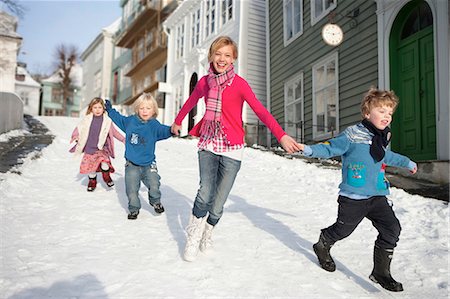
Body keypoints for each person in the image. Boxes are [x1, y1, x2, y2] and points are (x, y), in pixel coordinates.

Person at [171, 35, 301, 262]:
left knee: (219, 202)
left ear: (234, 59)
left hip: (232, 147)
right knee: (205, 192)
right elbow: (191, 101)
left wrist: (280, 134)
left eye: (227, 55)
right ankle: (193, 236)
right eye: (218, 54)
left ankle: (207, 233)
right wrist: (178, 120)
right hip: (209, 142)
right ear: (212, 56)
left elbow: (260, 110)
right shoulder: (204, 82)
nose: (222, 59)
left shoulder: (239, 84)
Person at [297, 87, 417, 292]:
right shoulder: (352, 134)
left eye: (390, 112)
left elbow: (384, 157)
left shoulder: (382, 136)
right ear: (367, 113)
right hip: (354, 196)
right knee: (343, 230)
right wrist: (307, 149)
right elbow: (329, 147)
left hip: (378, 195)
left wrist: (406, 162)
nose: (387, 116)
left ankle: (381, 272)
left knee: (392, 229)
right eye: (381, 111)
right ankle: (323, 243)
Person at [105, 93, 172, 220]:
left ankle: (156, 201)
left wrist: (172, 130)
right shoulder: (130, 121)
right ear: (137, 109)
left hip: (149, 164)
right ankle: (134, 209)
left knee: (154, 183)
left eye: (148, 108)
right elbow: (118, 118)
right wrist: (109, 110)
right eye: (142, 108)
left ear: (154, 110)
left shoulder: (154, 125)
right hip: (132, 164)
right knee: (131, 188)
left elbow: (164, 130)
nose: (145, 111)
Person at [70, 97, 125, 192]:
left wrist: (123, 139)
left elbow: (114, 132)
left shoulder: (107, 120)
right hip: (89, 148)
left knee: (105, 164)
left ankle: (106, 176)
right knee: (91, 168)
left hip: (102, 148)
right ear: (91, 108)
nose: (97, 110)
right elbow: (78, 129)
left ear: (103, 108)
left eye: (100, 107)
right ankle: (92, 181)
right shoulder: (86, 120)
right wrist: (76, 136)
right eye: (95, 107)